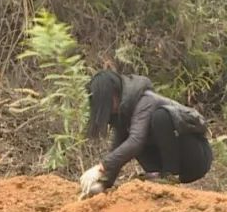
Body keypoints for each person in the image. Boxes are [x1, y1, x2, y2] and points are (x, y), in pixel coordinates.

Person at [78, 70, 213, 198]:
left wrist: (101, 167)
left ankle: (170, 176)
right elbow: (119, 146)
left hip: (196, 157)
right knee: (130, 138)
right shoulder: (122, 114)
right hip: (173, 160)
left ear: (113, 94)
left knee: (160, 117)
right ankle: (157, 177)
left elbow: (136, 142)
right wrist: (104, 183)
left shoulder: (146, 100)